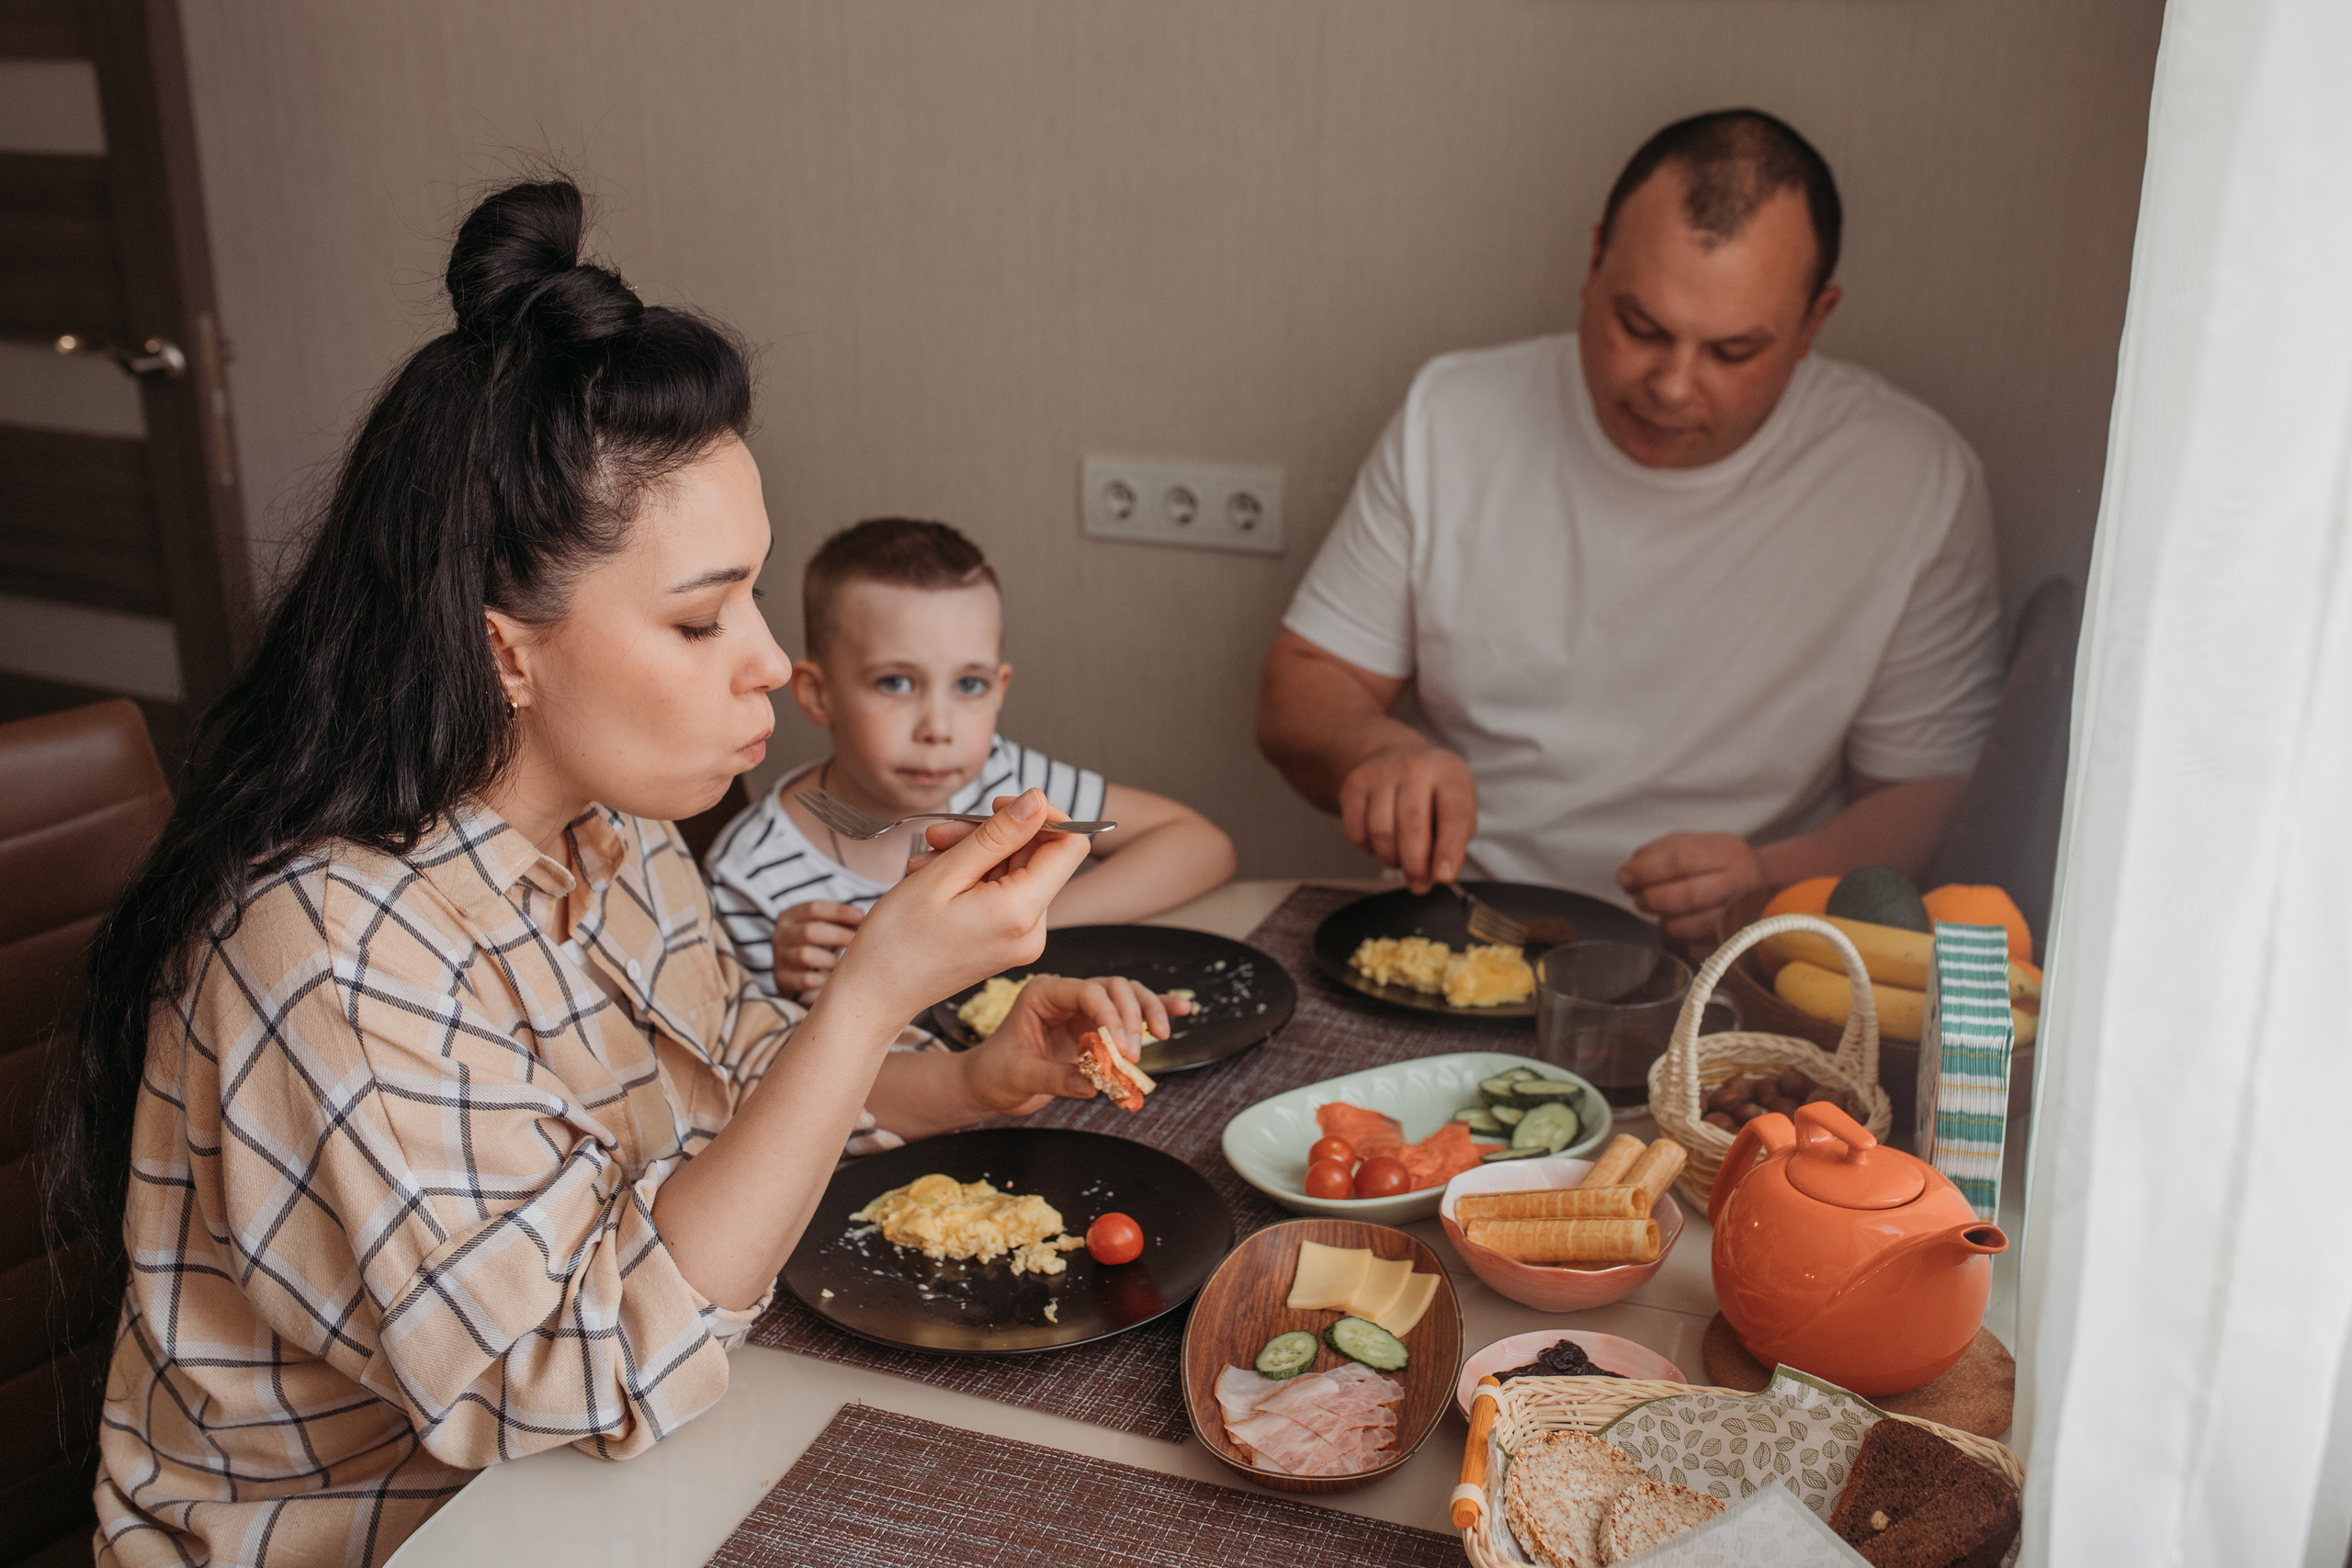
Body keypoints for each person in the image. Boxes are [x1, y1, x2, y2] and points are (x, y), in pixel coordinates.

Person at [46, 180, 1177, 1568]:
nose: (768, 660)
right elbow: (582, 1372)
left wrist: (962, 1073)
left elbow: (742, 1086)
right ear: (505, 650)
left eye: (750, 596)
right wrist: (876, 986)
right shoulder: (330, 947)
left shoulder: (617, 824)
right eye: (703, 617)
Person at [1256, 109, 2004, 948]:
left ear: (1812, 324)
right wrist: (1373, 747)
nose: (1674, 386)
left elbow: (1928, 792)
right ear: (1593, 263)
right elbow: (1302, 681)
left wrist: (1770, 875)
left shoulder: (1913, 476)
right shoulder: (1455, 416)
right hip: (1464, 927)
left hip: (1741, 950)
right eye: (1641, 328)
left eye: (1732, 352)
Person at [704, 517, 1238, 1002]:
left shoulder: (1004, 779)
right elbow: (745, 1067)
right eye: (895, 682)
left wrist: (1020, 918)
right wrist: (782, 985)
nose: (938, 728)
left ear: (1000, 688)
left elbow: (1201, 847)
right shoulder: (748, 874)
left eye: (969, 684)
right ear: (818, 695)